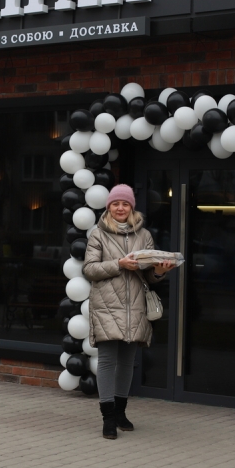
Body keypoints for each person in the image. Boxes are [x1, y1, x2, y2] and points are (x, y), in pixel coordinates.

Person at [83, 184, 175, 439]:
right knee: (107, 361)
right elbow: (90, 269)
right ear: (109, 207)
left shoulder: (144, 235)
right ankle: (108, 418)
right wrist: (119, 264)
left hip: (135, 306)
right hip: (106, 305)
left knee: (127, 363)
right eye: (116, 204)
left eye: (125, 204)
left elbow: (148, 274)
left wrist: (160, 271)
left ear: (131, 207)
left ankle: (121, 411)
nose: (120, 208)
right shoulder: (98, 235)